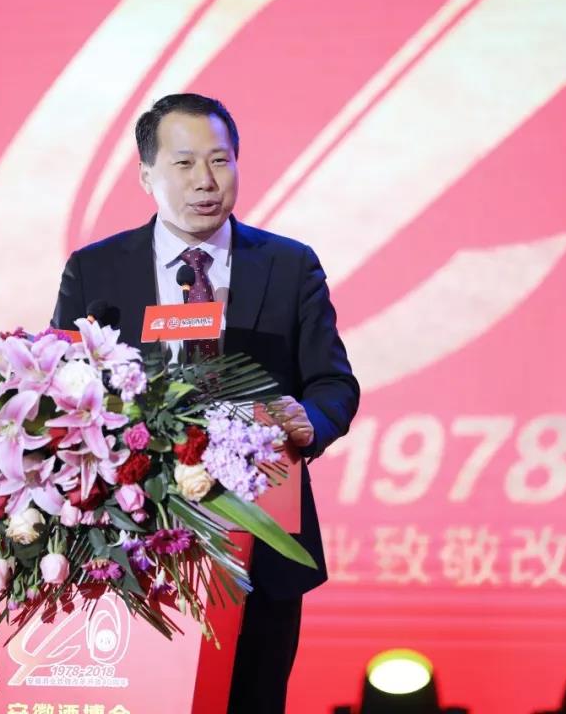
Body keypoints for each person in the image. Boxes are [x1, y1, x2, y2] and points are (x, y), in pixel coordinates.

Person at [51, 92, 359, 713]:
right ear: (147, 175)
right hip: (129, 540)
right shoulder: (96, 271)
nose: (206, 181)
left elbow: (334, 384)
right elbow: (61, 392)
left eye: (220, 161)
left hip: (260, 540)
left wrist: (312, 420)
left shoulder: (289, 266)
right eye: (185, 163)